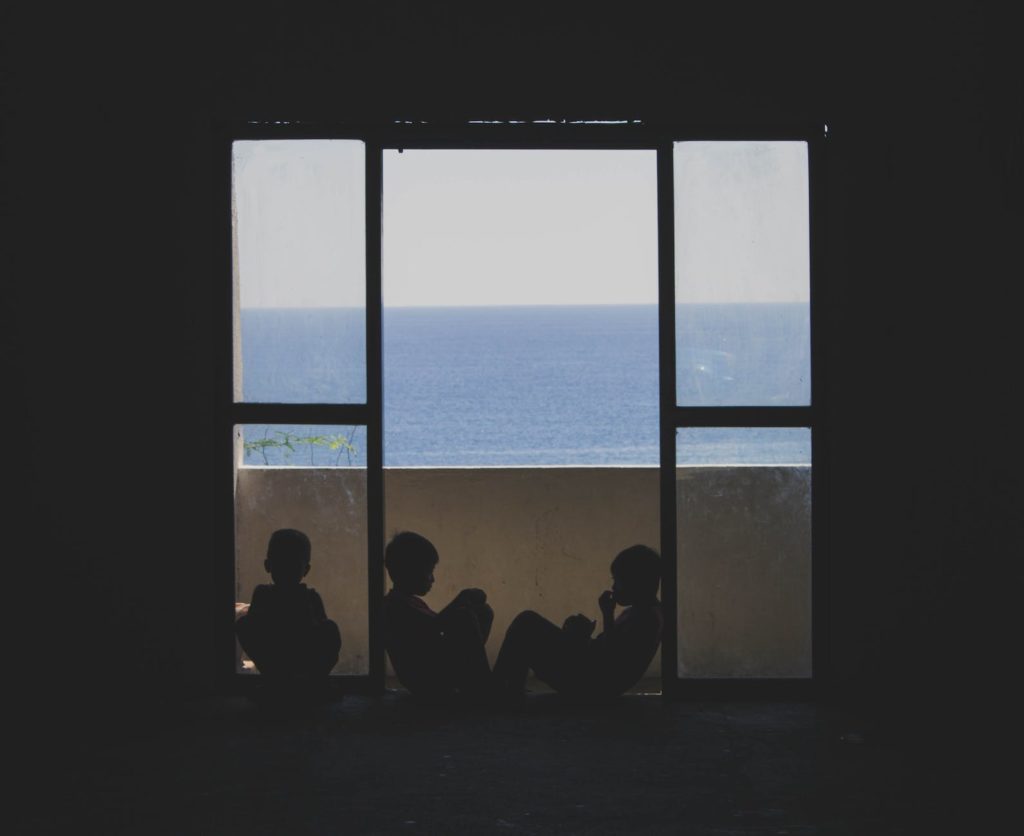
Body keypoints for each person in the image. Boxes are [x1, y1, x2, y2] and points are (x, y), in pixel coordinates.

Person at [492, 544, 663, 703]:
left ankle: (498, 687)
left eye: (618, 581)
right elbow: (608, 652)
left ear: (635, 583)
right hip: (592, 677)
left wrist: (607, 615)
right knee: (528, 626)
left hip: (591, 687)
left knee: (526, 622)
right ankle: (510, 689)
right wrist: (581, 637)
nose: (613, 587)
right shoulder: (644, 612)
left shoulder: (646, 620)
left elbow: (610, 663)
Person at [382, 531, 494, 704]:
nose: (432, 579)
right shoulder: (393, 606)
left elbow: (437, 628)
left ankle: (479, 682)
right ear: (408, 570)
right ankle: (483, 688)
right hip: (427, 679)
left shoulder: (411, 602)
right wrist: (461, 600)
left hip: (437, 671)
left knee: (483, 612)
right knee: (464, 616)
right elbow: (430, 629)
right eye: (428, 571)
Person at [235, 528, 341, 702]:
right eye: (281, 563)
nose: (286, 570)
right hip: (284, 661)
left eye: (291, 565)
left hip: (292, 661)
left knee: (244, 624)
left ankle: (282, 683)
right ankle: (307, 683)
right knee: (330, 628)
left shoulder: (264, 594)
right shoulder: (308, 596)